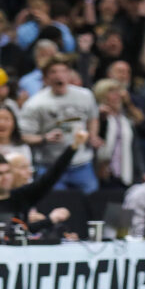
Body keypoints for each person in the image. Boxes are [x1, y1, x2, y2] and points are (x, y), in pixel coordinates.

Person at [0, 129, 89, 242]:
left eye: (7, 172)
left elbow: (51, 177)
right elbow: (10, 233)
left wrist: (74, 146)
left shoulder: (21, 196)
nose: (5, 177)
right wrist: (50, 220)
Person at [19, 54, 102, 194]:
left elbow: (93, 118)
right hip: (51, 166)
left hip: (82, 163)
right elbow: (24, 136)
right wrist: (44, 138)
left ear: (70, 74)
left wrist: (93, 135)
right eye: (53, 72)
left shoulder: (85, 95)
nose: (59, 75)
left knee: (91, 201)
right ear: (46, 77)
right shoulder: (35, 103)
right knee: (55, 203)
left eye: (63, 71)